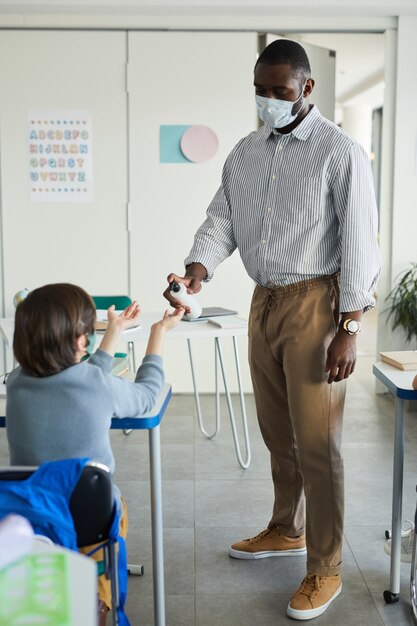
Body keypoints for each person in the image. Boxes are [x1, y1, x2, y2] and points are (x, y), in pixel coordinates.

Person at [164, 39, 381, 621]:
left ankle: (326, 566)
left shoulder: (342, 153)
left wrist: (351, 325)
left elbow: (360, 241)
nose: (268, 102)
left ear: (306, 88)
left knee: (318, 444)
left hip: (317, 302)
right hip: (264, 303)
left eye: (279, 93)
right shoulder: (245, 153)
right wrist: (197, 269)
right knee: (277, 433)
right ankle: (286, 528)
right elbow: (223, 219)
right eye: (260, 91)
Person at [6, 283, 184, 624]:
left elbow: (79, 380)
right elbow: (147, 396)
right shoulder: (94, 384)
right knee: (116, 511)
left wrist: (112, 334)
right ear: (78, 341)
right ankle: (98, 602)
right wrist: (158, 334)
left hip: (34, 516)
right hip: (90, 516)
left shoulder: (15, 382)